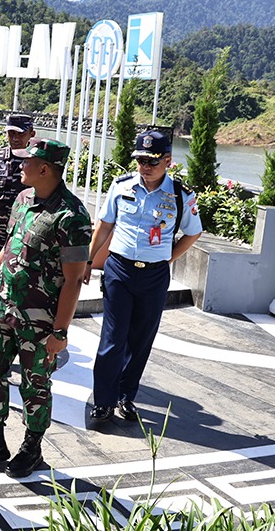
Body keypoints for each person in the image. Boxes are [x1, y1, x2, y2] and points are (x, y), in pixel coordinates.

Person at [0, 138, 91, 478]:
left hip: (40, 321)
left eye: (27, 162)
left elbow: (74, 281)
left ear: (45, 169)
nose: (20, 166)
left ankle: (32, 447)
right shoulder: (22, 199)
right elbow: (7, 246)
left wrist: (61, 332)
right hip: (1, 308)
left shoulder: (72, 216)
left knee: (35, 385)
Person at [86, 130, 203, 422]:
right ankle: (103, 400)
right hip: (119, 271)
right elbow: (103, 225)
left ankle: (126, 396)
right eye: (140, 160)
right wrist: (87, 260)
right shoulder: (121, 185)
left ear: (167, 161)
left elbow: (193, 232)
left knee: (140, 339)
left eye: (152, 161)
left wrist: (167, 258)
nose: (145, 167)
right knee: (113, 337)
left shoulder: (180, 195)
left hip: (154, 277)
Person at [0, 113, 36, 285]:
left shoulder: (37, 162)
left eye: (20, 133)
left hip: (24, 239)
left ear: (31, 134)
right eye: (11, 133)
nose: (15, 138)